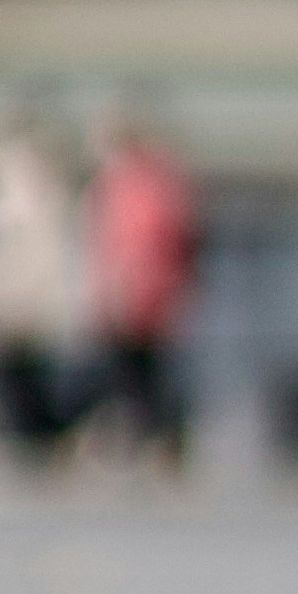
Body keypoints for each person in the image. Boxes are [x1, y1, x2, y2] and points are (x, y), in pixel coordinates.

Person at [0, 108, 84, 463]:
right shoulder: (17, 191)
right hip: (16, 301)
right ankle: (29, 438)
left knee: (21, 379)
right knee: (14, 379)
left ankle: (36, 439)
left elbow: (25, 255)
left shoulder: (23, 195)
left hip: (21, 302)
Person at [82, 104, 202, 467]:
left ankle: (150, 442)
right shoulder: (155, 180)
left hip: (139, 298)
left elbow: (141, 244)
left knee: (137, 376)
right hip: (147, 298)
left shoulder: (135, 184)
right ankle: (149, 442)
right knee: (140, 376)